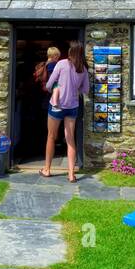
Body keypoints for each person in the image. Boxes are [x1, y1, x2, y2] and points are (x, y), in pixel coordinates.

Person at [42, 40, 89, 182]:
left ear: (71, 52)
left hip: (57, 106)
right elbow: (86, 90)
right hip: (72, 107)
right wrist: (75, 89)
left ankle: (47, 169)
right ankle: (71, 174)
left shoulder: (61, 64)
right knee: (70, 139)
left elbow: (49, 84)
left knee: (51, 136)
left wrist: (55, 89)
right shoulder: (83, 70)